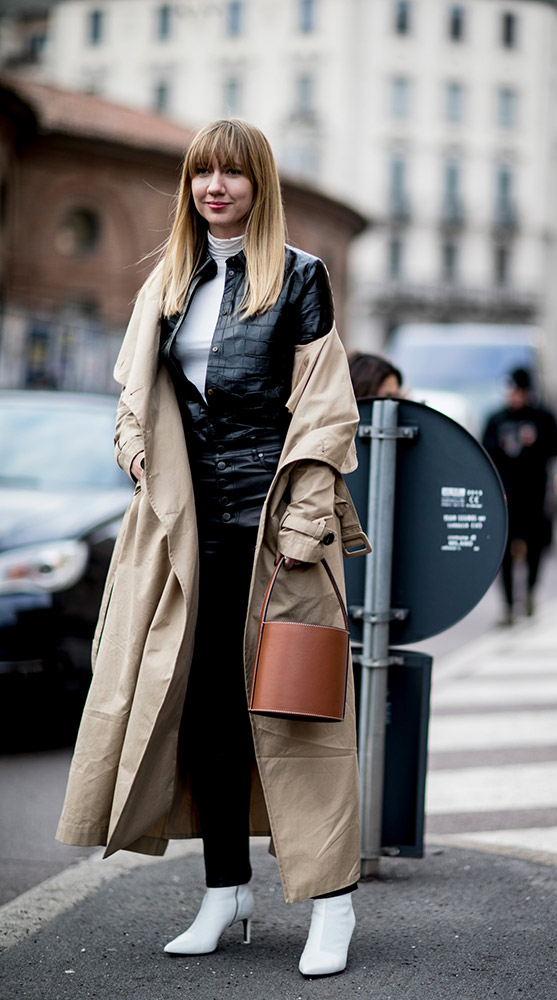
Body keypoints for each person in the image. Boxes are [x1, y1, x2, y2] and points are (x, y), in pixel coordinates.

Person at [56, 119, 370, 977]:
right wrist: (134, 452)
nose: (215, 187)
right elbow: (132, 400)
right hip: (184, 540)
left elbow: (325, 412)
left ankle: (330, 906)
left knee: (299, 715)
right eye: (202, 173)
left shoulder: (300, 277)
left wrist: (306, 527)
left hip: (277, 538)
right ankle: (225, 892)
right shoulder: (167, 281)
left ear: (259, 185)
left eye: (233, 173)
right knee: (203, 718)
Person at [482, 367, 557, 624]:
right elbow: (485, 450)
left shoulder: (543, 418)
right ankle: (507, 605)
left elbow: (556, 446)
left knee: (536, 549)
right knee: (502, 553)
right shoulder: (497, 419)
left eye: (519, 391)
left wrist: (534, 445)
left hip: (534, 496)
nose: (515, 396)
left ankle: (529, 594)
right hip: (504, 497)